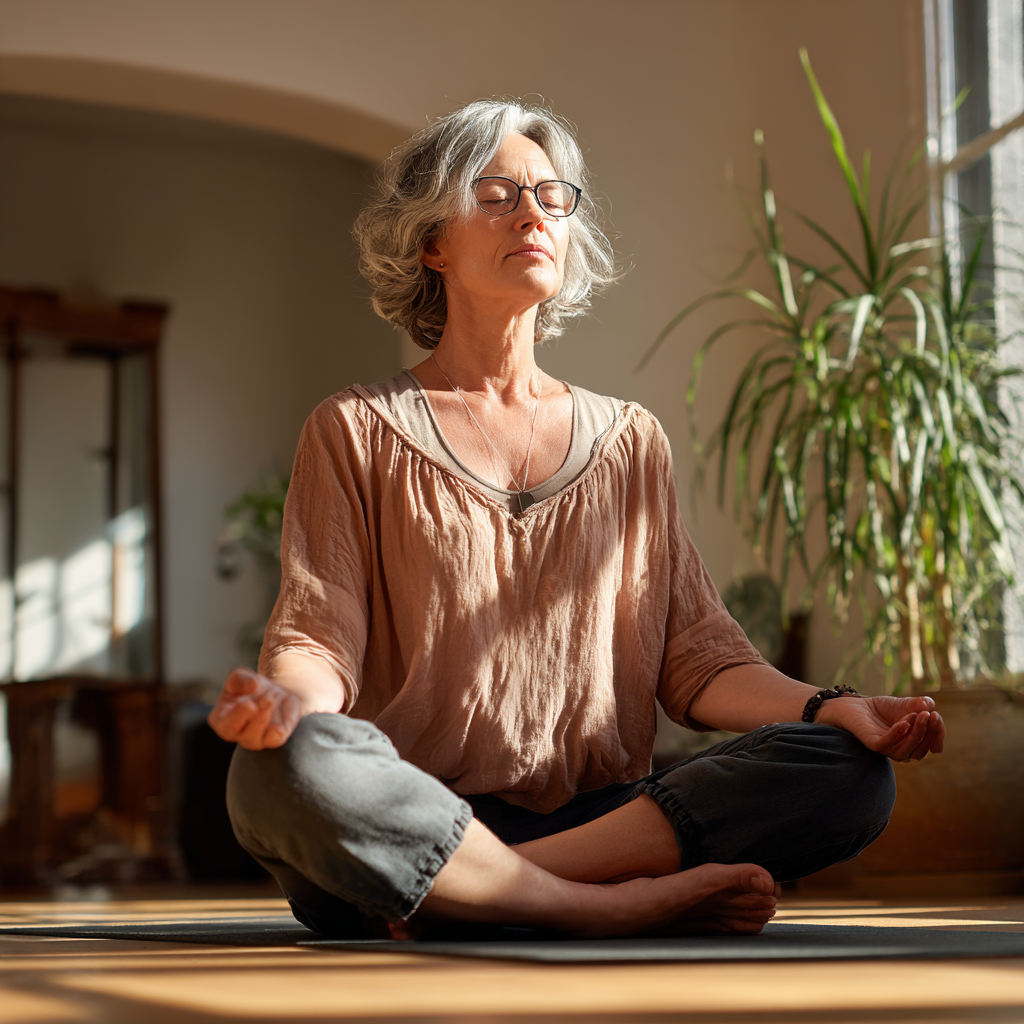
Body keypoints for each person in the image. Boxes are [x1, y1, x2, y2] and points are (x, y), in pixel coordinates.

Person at [209, 99, 945, 940]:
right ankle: (596, 905)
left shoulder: (630, 441)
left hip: (594, 827)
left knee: (849, 774)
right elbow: (319, 639)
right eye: (494, 193)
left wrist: (832, 708)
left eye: (551, 197)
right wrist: (283, 707)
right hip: (409, 811)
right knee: (274, 772)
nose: (532, 212)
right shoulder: (353, 428)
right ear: (430, 243)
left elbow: (698, 659)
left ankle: (491, 893)